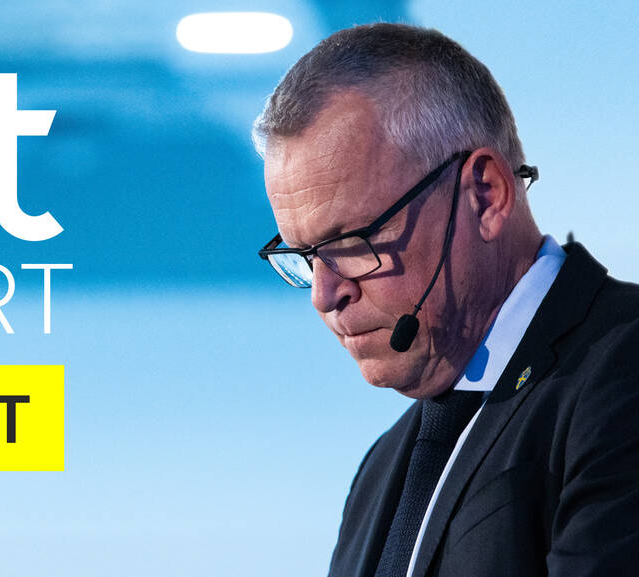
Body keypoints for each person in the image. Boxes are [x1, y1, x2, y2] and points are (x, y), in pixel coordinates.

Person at [253, 23, 639, 577]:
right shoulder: (381, 470)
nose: (324, 294)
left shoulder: (622, 370)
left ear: (485, 195)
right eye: (306, 255)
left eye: (352, 242)